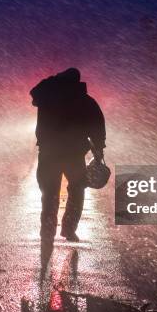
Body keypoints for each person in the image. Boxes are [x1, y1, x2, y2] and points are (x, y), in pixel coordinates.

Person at [30, 68, 106, 242]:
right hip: (74, 154)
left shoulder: (47, 97)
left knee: (49, 193)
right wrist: (99, 148)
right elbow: (97, 126)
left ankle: (48, 231)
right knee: (77, 191)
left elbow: (34, 93)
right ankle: (69, 229)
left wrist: (53, 79)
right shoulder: (85, 101)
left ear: (60, 78)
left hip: (49, 153)